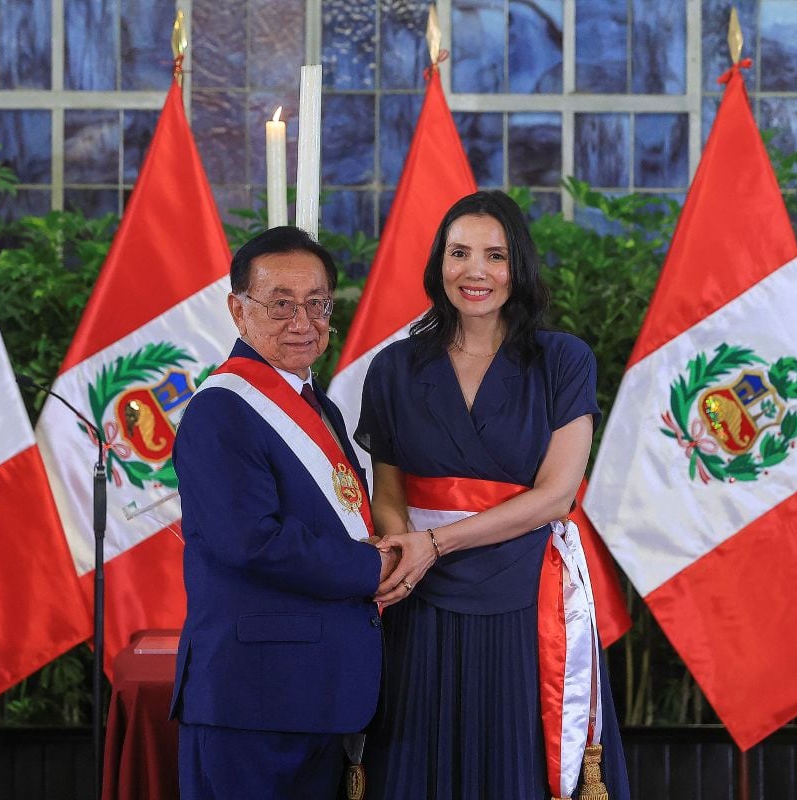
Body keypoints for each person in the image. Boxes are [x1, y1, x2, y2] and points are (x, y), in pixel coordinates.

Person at [356, 191, 631, 799]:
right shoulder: (394, 367)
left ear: (520, 267)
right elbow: (388, 490)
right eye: (459, 253)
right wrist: (404, 558)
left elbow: (557, 495)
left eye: (494, 255)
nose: (474, 271)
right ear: (438, 264)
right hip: (417, 598)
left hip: (526, 593)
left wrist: (435, 542)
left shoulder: (564, 361)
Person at [169, 226, 395, 799]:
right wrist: (376, 569)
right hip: (253, 698)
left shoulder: (319, 407)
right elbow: (252, 541)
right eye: (280, 304)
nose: (302, 322)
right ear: (237, 311)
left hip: (321, 693)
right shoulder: (221, 411)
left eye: (316, 304)